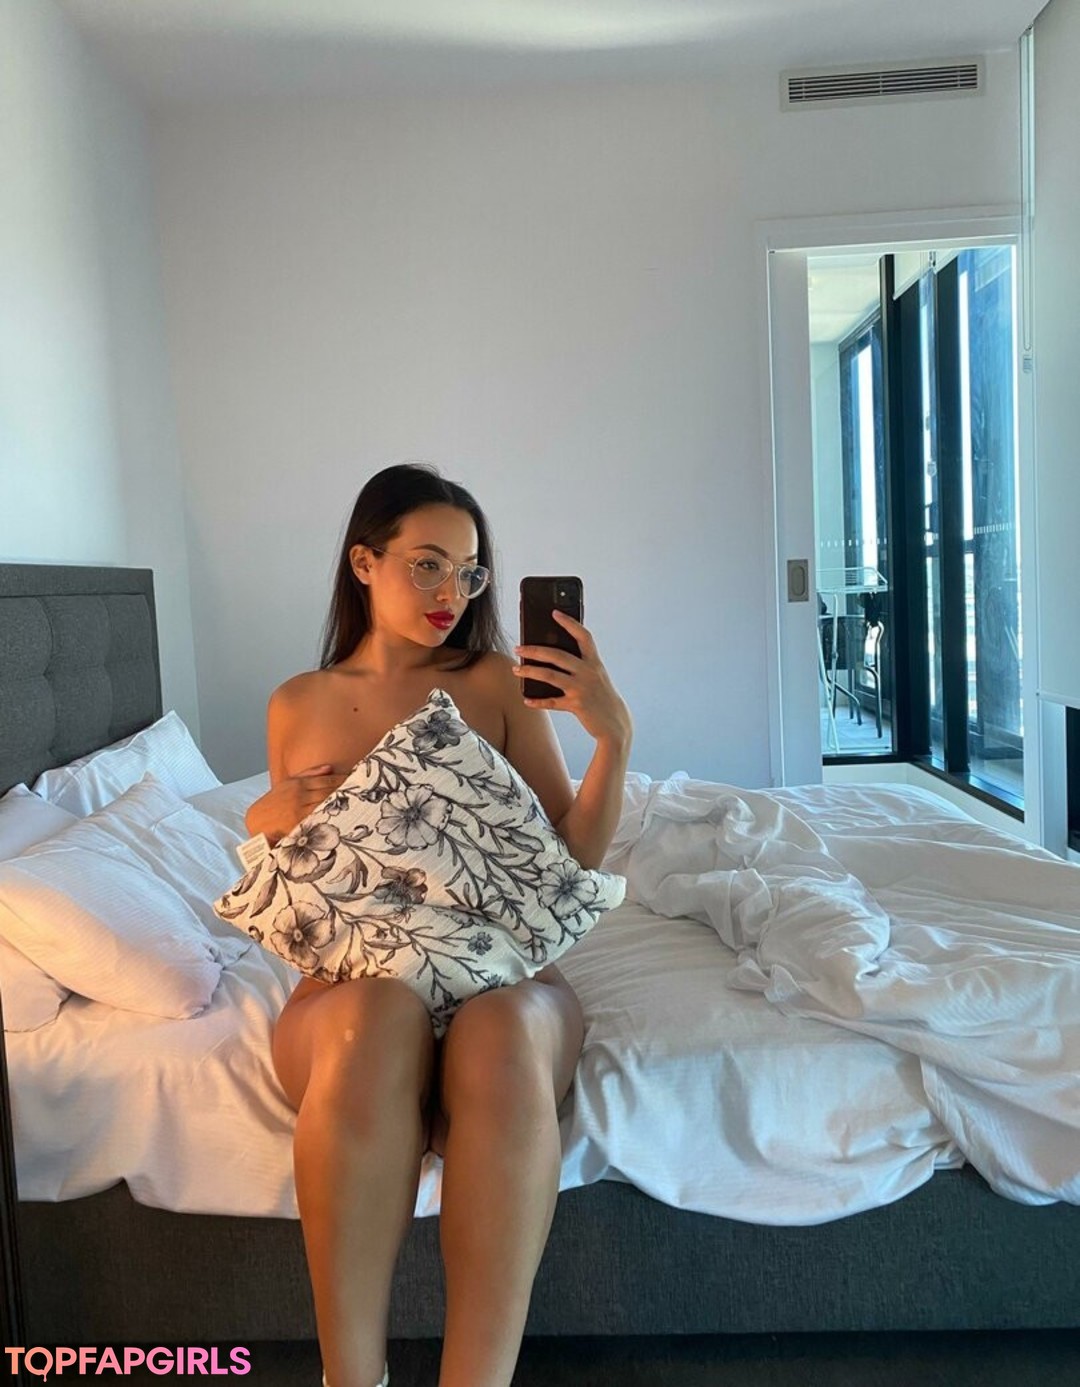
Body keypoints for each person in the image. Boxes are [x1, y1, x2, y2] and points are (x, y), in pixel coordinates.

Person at [245, 462, 632, 1387]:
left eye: (467, 571)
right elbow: (305, 875)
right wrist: (264, 816)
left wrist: (612, 738)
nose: (450, 592)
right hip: (354, 987)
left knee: (498, 1028)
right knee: (374, 1013)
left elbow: (572, 857)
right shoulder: (298, 702)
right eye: (426, 563)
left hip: (500, 973)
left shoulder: (492, 681)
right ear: (364, 562)